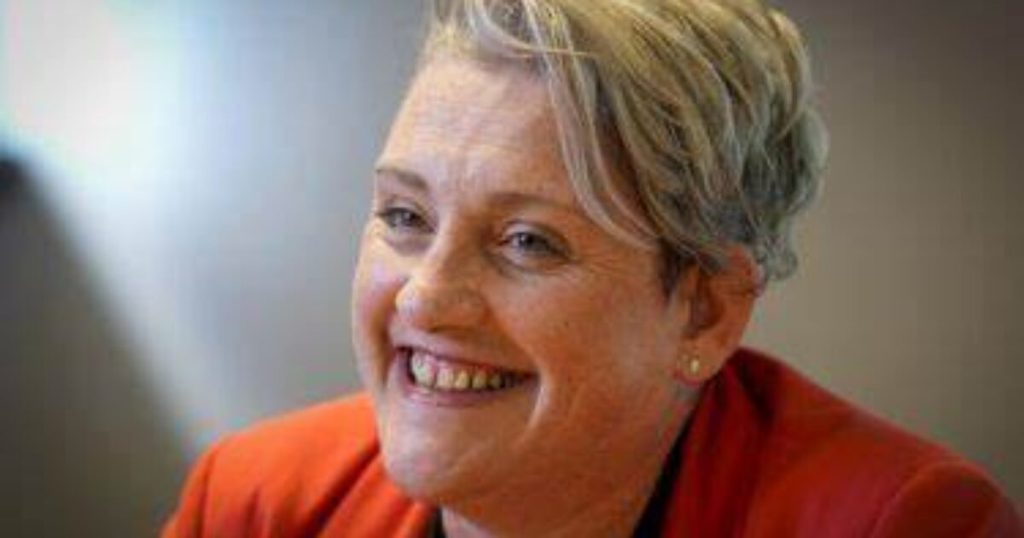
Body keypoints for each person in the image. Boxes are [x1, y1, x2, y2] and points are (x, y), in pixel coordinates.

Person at [163, 0, 1022, 536]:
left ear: (706, 310)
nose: (425, 298)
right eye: (404, 217)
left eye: (528, 242)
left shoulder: (900, 521)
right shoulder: (254, 501)